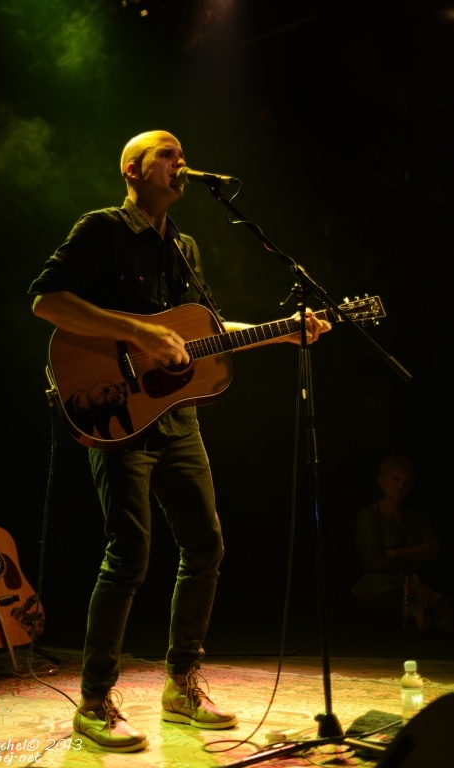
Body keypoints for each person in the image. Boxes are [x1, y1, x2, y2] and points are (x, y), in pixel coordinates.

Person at [28, 129, 331, 753]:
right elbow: (47, 302)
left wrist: (281, 331)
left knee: (207, 544)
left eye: (182, 154)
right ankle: (93, 698)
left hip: (174, 415)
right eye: (167, 154)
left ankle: (181, 683)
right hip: (113, 409)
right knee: (130, 553)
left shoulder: (186, 248)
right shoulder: (101, 229)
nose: (181, 162)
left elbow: (203, 333)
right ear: (133, 171)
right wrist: (137, 332)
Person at [350, 454, 451, 631]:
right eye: (395, 480)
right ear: (382, 481)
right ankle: (419, 608)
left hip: (419, 578)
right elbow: (375, 563)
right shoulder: (369, 517)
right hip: (384, 585)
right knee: (367, 591)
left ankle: (425, 608)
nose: (400, 487)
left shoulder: (414, 515)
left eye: (406, 482)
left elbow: (436, 547)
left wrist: (397, 554)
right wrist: (419, 552)